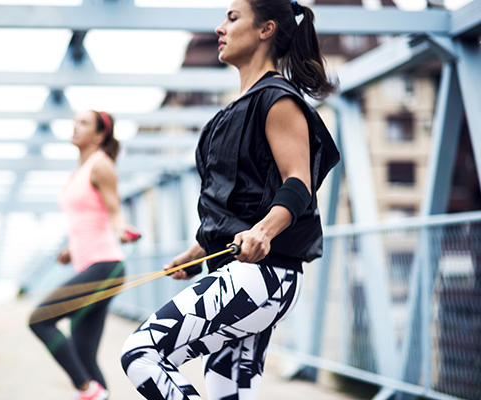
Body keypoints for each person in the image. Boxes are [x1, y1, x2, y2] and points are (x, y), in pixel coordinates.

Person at [121, 0, 340, 399]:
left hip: (262, 276)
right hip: (239, 272)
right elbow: (235, 201)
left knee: (142, 353)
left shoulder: (278, 99)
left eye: (232, 17)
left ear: (266, 29)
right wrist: (196, 251)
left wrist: (264, 232)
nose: (220, 27)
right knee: (230, 393)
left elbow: (298, 183)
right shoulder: (235, 109)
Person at [29, 110, 139, 400]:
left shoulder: (101, 166)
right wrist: (71, 249)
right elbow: (88, 218)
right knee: (84, 355)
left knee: (39, 320)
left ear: (100, 135)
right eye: (75, 122)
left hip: (105, 266)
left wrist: (122, 230)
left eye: (83, 124)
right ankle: (94, 390)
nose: (75, 127)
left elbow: (114, 212)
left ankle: (86, 390)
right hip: (89, 262)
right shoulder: (79, 170)